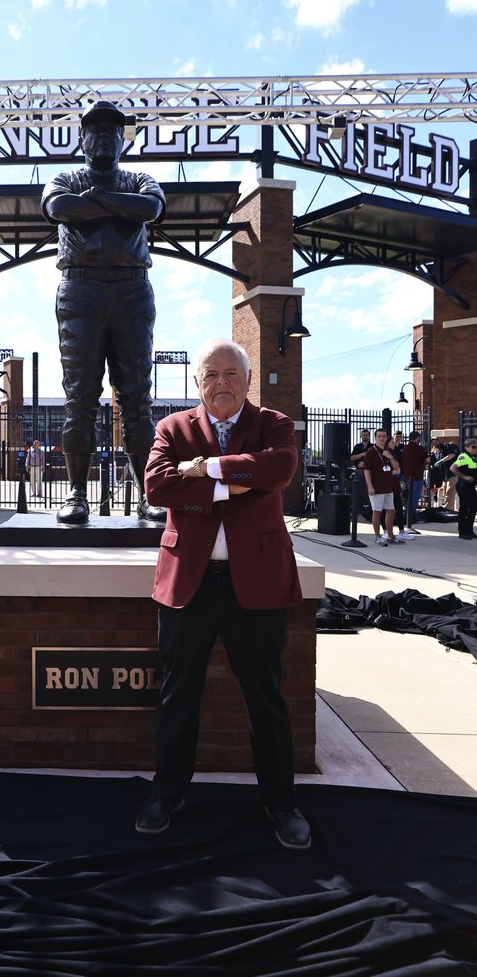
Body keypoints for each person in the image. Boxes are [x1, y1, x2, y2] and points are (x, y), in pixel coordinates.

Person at [136, 339, 311, 851]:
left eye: (230, 373)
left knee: (266, 696)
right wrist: (232, 484)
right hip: (188, 583)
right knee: (177, 693)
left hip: (255, 584)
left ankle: (281, 803)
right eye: (210, 374)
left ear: (248, 379)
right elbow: (158, 488)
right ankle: (167, 793)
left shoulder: (274, 424)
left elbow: (277, 469)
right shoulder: (173, 428)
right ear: (197, 383)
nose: (221, 382)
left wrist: (206, 468)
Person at [41, 100, 166, 524]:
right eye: (94, 131)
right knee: (80, 399)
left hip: (131, 289)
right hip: (81, 289)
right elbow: (61, 208)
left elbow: (150, 209)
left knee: (136, 400)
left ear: (122, 141)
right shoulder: (64, 178)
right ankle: (77, 494)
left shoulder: (140, 179)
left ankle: (149, 494)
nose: (103, 138)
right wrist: (118, 205)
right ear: (81, 139)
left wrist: (95, 201)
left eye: (112, 132)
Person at [363, 429, 403, 545]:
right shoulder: (371, 451)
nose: (382, 438)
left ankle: (390, 535)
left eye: (384, 436)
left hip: (388, 487)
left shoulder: (388, 451)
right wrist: (370, 486)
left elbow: (396, 467)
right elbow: (367, 470)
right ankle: (377, 536)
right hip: (376, 488)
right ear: (375, 438)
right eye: (379, 436)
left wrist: (390, 457)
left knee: (391, 511)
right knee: (377, 512)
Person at [402, 430, 428, 532]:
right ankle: (411, 516)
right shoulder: (419, 448)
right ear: (417, 438)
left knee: (410, 496)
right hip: (417, 476)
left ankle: (407, 515)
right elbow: (428, 459)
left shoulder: (405, 448)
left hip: (407, 475)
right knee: (415, 497)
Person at [452, 437, 477, 539]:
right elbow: (453, 468)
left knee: (473, 508)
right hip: (464, 486)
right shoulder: (463, 456)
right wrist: (465, 477)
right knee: (464, 509)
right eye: (473, 447)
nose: (475, 449)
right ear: (467, 447)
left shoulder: (472, 458)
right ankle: (462, 532)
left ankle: (469, 530)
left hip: (470, 486)